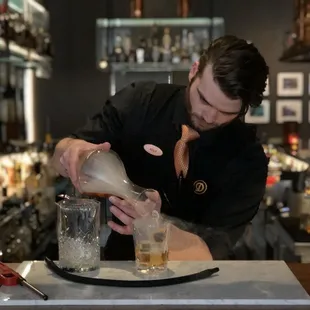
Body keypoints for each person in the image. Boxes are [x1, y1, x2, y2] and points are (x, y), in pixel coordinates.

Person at [52, 35, 269, 261]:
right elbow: (58, 158)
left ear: (244, 108)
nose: (209, 116)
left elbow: (212, 250)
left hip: (200, 282)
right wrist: (71, 149)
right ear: (194, 71)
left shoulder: (247, 158)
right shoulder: (141, 103)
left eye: (226, 112)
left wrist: (154, 223)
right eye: (204, 99)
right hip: (123, 270)